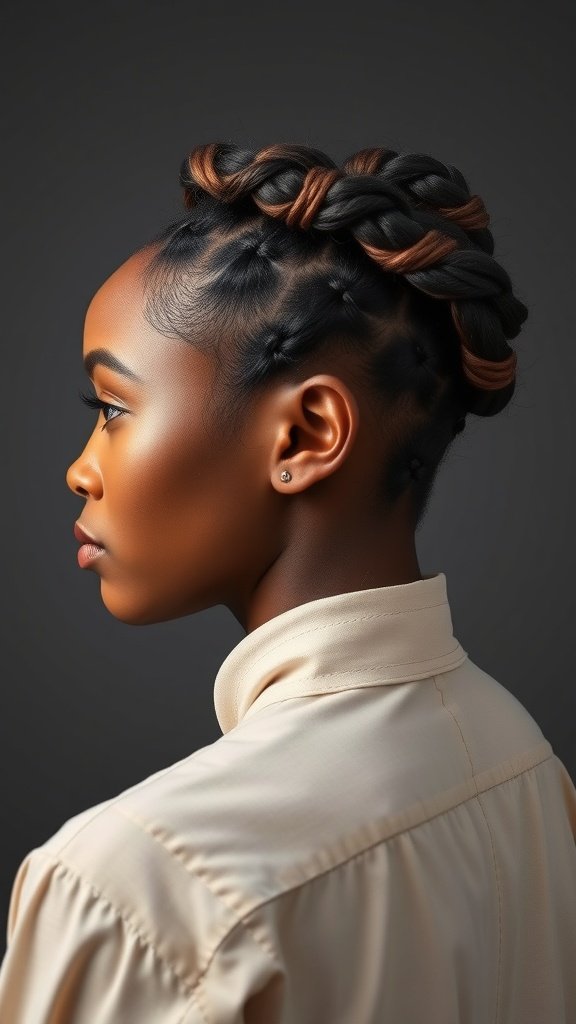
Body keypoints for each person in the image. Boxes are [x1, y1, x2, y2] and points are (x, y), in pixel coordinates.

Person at [0, 140, 574, 1022]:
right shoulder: (525, 767)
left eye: (113, 410)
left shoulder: (131, 887)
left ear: (306, 436)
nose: (82, 469)